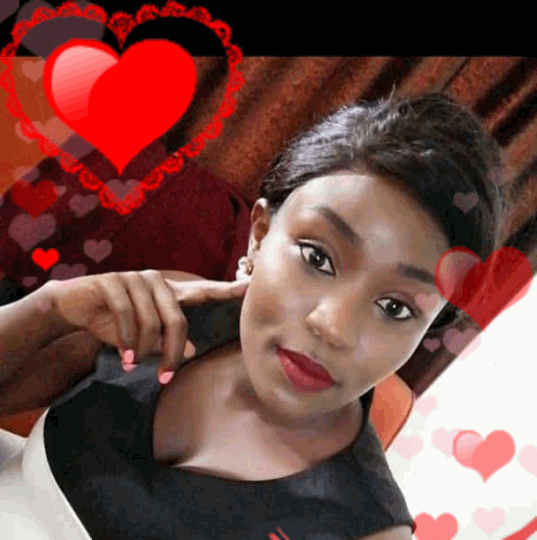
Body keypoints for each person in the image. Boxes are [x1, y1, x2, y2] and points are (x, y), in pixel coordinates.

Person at [0, 91, 531, 540]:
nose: (333, 326)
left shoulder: (366, 531)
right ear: (259, 234)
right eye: (317, 258)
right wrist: (49, 308)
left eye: (395, 307)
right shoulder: (169, 312)